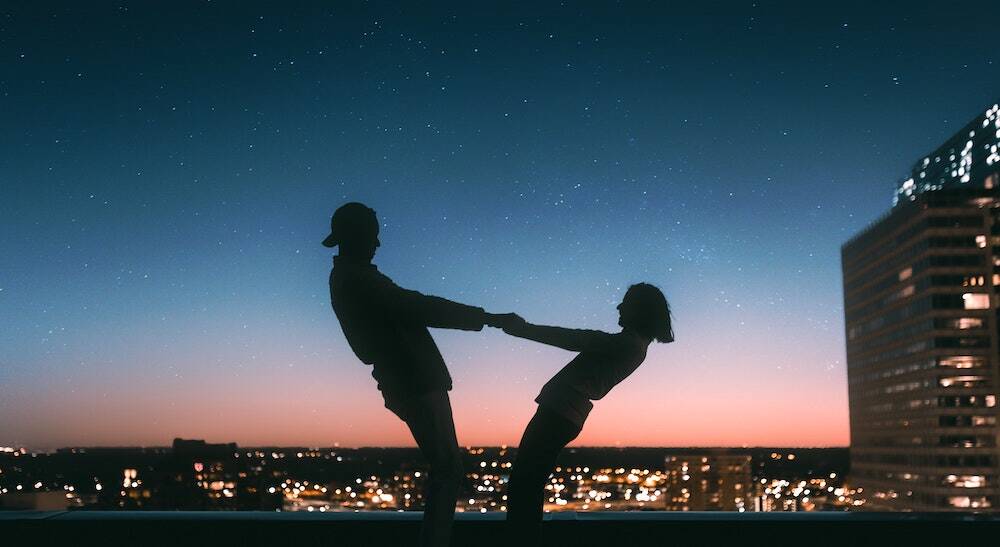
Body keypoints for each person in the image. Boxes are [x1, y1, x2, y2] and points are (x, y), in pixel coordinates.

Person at [323, 202, 515, 547]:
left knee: (447, 467)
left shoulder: (355, 277)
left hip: (409, 378)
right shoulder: (356, 279)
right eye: (373, 237)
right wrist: (486, 318)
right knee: (448, 468)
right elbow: (418, 306)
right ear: (357, 236)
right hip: (412, 378)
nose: (378, 245)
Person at [500, 283, 674, 540]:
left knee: (524, 483)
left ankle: (521, 540)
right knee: (528, 482)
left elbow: (574, 338)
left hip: (560, 412)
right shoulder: (633, 345)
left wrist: (522, 329)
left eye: (625, 302)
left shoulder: (628, 344)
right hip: (566, 412)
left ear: (639, 309)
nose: (619, 306)